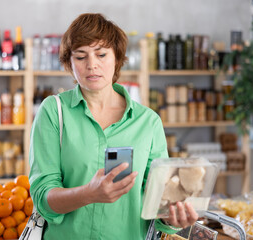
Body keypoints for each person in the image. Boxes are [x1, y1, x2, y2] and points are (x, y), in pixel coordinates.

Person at [29, 13, 198, 239]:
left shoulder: (148, 122)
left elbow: (159, 202)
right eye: (80, 56)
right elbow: (42, 198)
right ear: (68, 62)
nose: (92, 65)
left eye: (101, 54)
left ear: (117, 58)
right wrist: (88, 194)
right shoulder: (54, 112)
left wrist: (173, 218)